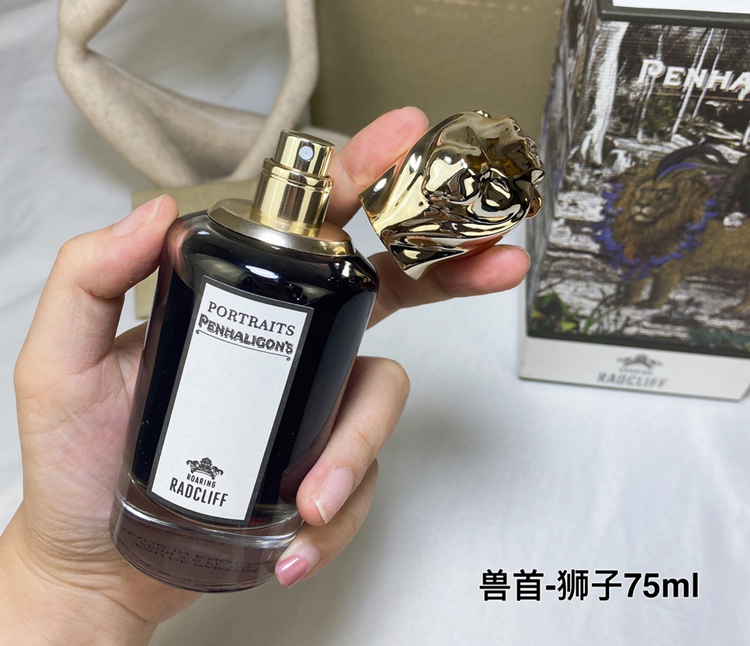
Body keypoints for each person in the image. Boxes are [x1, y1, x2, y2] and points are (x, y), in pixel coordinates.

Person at [0, 108, 530, 644]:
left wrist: (78, 593)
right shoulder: (198, 246)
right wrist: (65, 582)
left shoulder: (339, 283)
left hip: (231, 530)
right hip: (138, 505)